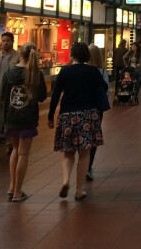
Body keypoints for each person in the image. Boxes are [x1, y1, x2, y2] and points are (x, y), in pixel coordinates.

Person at [47, 42, 107, 201]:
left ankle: (66, 180)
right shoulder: (92, 71)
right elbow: (104, 87)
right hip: (88, 115)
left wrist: (50, 115)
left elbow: (55, 94)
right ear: (87, 55)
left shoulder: (65, 71)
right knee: (84, 153)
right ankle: (79, 190)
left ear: (72, 55)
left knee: (68, 152)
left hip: (67, 114)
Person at [1, 42, 47, 202]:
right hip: (28, 117)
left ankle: (12, 186)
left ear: (20, 54)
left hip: (11, 116)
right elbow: (42, 96)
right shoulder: (35, 73)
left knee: (15, 150)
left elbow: (3, 95)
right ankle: (18, 192)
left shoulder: (10, 72)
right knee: (24, 153)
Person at [86, 44, 109, 182]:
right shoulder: (101, 71)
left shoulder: (83, 70)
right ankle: (88, 166)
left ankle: (83, 163)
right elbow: (106, 90)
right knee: (94, 135)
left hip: (83, 106)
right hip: (97, 108)